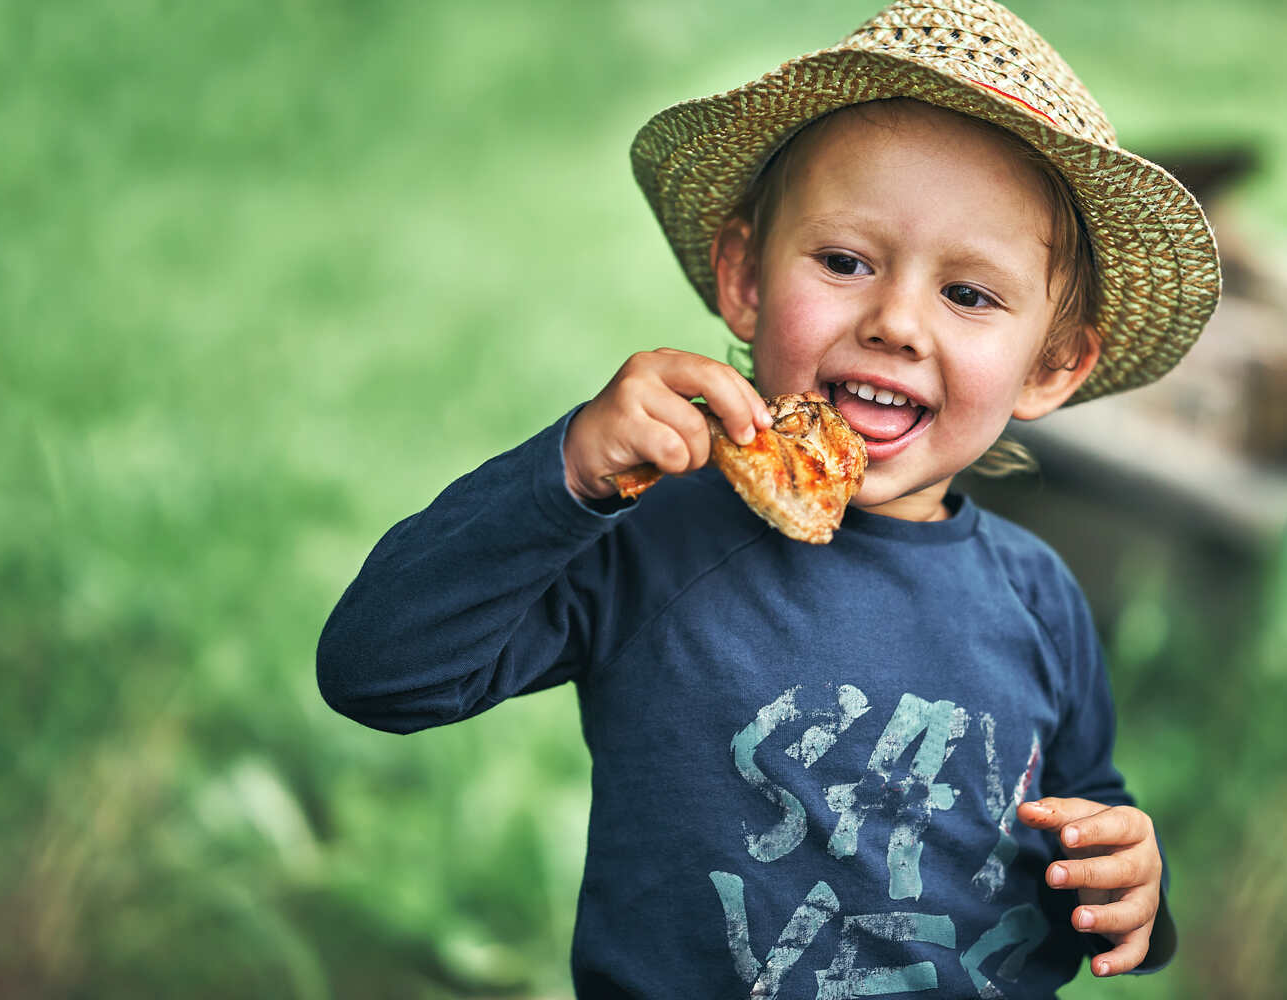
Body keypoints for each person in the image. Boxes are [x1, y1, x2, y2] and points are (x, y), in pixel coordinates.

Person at [317, 0, 1220, 995]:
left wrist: (1136, 887)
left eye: (968, 294)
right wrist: (567, 476)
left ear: (1052, 366)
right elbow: (379, 671)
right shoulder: (653, 539)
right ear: (745, 276)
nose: (895, 322)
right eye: (845, 262)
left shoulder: (1041, 601)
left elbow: (1092, 849)